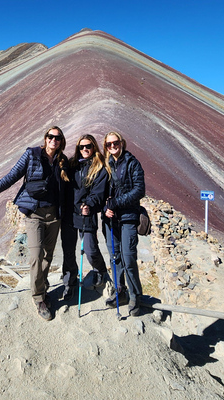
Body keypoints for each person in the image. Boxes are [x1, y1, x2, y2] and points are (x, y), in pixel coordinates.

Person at [0, 126, 69, 321]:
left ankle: (42, 289)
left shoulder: (62, 161)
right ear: (45, 138)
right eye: (50, 136)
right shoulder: (31, 155)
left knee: (47, 256)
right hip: (35, 213)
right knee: (36, 255)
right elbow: (12, 176)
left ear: (61, 141)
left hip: (54, 214)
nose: (54, 140)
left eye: (58, 137)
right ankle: (38, 298)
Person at [102, 131, 146, 316]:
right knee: (115, 257)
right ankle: (121, 291)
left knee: (128, 258)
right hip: (111, 219)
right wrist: (105, 207)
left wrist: (116, 203)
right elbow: (101, 191)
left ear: (122, 143)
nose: (113, 146)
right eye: (109, 144)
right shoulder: (106, 165)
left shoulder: (132, 163)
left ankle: (136, 295)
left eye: (115, 142)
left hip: (128, 217)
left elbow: (139, 190)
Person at [69, 134, 110, 293]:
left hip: (87, 213)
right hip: (71, 213)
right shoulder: (73, 165)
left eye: (88, 146)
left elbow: (98, 192)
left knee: (90, 249)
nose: (85, 149)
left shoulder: (99, 167)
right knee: (69, 249)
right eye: (81, 147)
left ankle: (100, 269)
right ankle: (70, 279)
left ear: (94, 147)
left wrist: (89, 205)